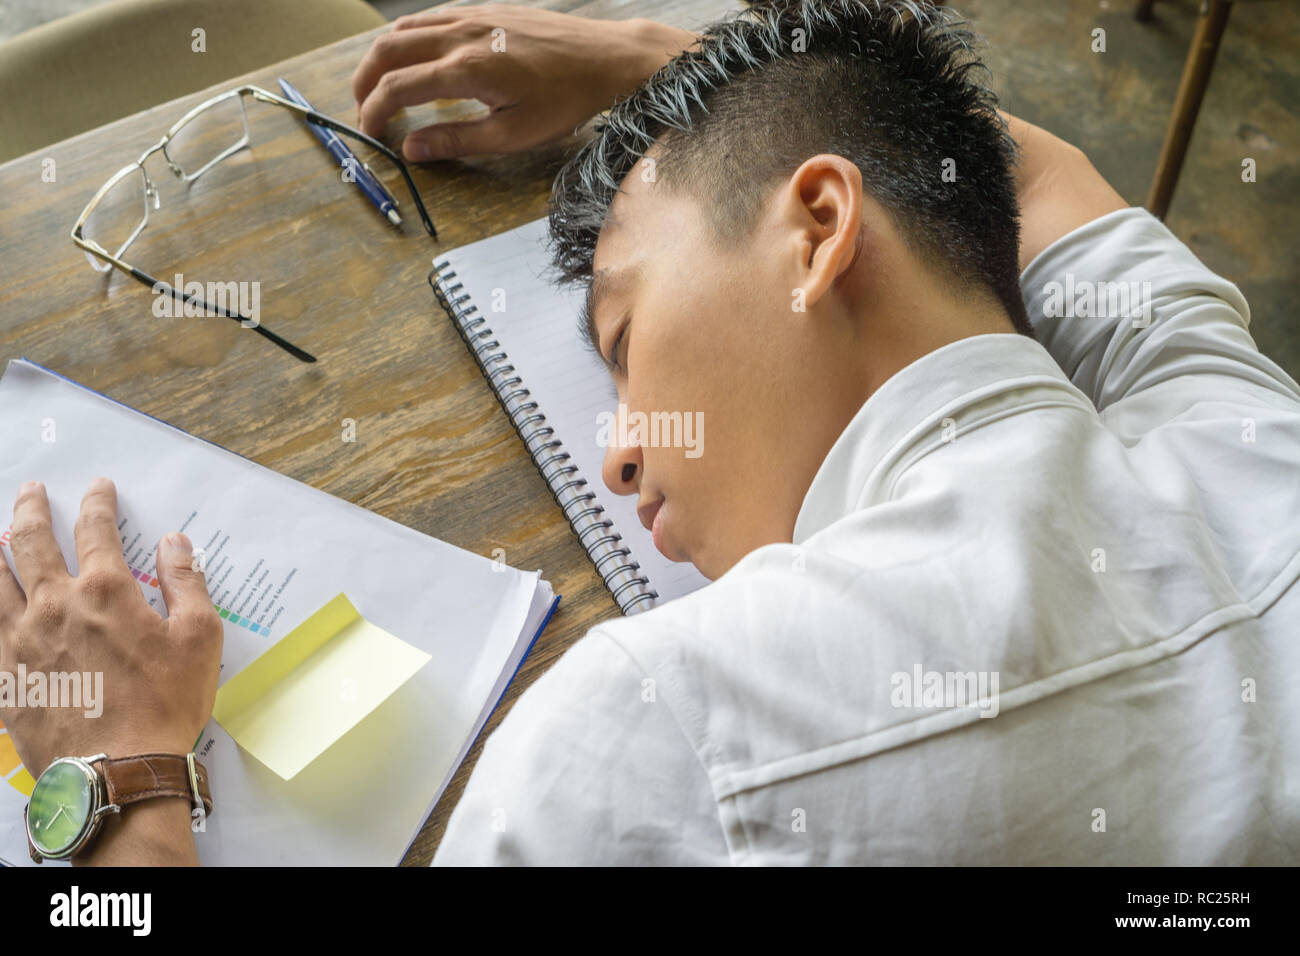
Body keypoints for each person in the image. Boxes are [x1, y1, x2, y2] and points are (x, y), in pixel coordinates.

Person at [3, 0, 1297, 865]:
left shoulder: (659, 742)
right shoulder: (1235, 421)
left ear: (817, 231)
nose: (622, 451)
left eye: (622, 339)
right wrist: (679, 84)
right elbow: (1018, 168)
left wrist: (119, 788)